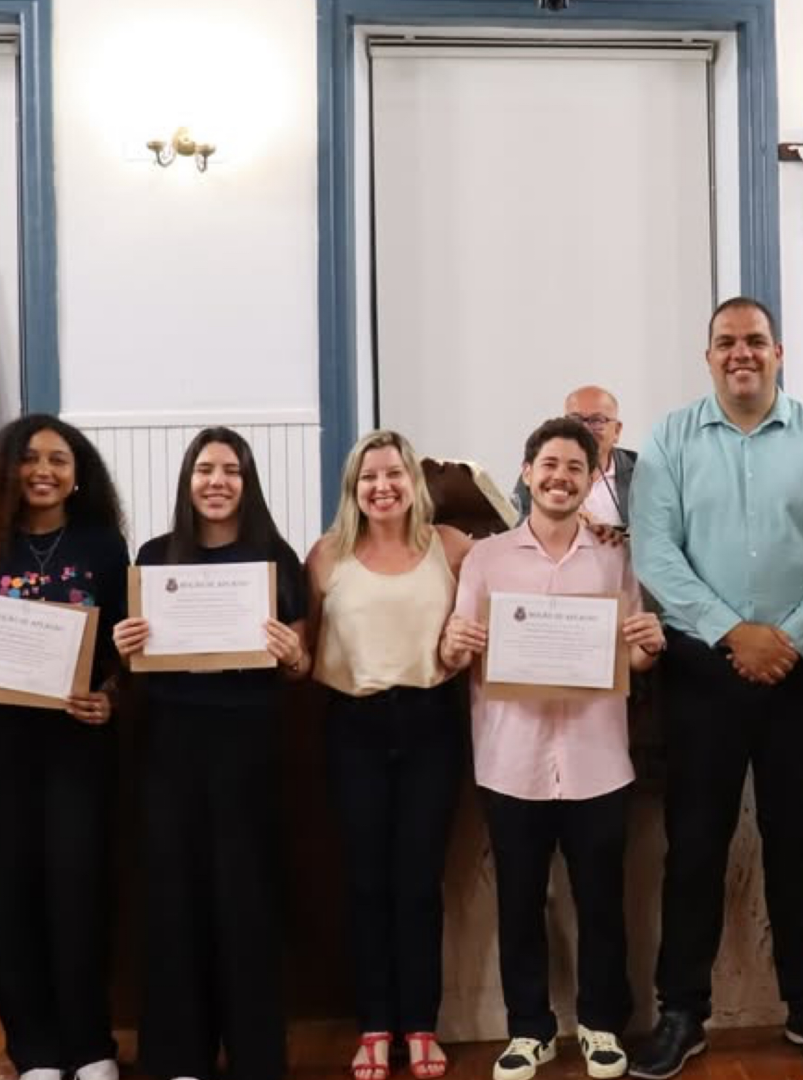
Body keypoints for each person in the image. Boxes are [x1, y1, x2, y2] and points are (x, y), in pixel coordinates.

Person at [627, 296, 803, 1078]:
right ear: (708, 357)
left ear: (778, 352)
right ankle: (682, 1012)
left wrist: (787, 637)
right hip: (701, 671)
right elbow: (655, 553)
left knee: (798, 844)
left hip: (801, 671)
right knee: (694, 846)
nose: (742, 353)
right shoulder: (670, 439)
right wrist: (735, 633)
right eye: (727, 341)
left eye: (755, 341)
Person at [441, 417, 666, 1080]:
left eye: (575, 467)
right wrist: (454, 644)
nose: (560, 478)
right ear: (527, 472)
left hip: (599, 761)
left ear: (593, 478)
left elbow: (633, 655)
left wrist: (649, 646)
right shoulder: (487, 558)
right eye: (550, 465)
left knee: (602, 903)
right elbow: (455, 648)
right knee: (519, 902)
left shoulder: (616, 557)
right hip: (511, 761)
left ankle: (601, 1025)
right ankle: (529, 1030)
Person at [0, 416, 130, 1080]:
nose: (44, 471)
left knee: (79, 893)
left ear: (78, 474)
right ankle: (34, 1050)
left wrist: (111, 697)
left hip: (78, 749)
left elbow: (126, 650)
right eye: (31, 458)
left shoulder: (103, 547)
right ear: (6, 468)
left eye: (59, 460)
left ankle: (90, 1045)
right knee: (11, 896)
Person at [111, 427, 310, 1080]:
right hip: (171, 748)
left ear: (247, 484)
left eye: (231, 470)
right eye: (205, 469)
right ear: (187, 481)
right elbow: (133, 663)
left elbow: (302, 665)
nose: (217, 481)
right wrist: (125, 644)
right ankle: (180, 1055)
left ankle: (256, 1055)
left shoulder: (276, 558)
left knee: (246, 900)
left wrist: (293, 654)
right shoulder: (154, 555)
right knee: (175, 900)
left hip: (249, 749)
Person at [306, 429, 475, 1080]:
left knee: (419, 883)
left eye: (394, 474)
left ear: (414, 482)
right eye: (369, 477)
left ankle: (421, 1025)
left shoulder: (452, 547)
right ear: (353, 487)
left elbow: (522, 557)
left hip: (431, 722)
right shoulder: (327, 555)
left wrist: (605, 532)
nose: (382, 487)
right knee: (366, 883)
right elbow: (305, 649)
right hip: (354, 725)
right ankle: (375, 1025)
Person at [510, 385, 637, 530]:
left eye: (597, 421)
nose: (585, 429)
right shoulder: (540, 472)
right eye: (575, 420)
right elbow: (517, 525)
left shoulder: (642, 472)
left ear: (617, 431)